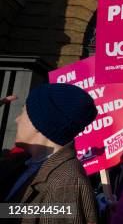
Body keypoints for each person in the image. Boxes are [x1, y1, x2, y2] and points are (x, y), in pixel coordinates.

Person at [0, 83, 98, 223]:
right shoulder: (23, 162)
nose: (17, 120)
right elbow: (7, 211)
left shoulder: (66, 184)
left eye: (23, 112)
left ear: (38, 123)